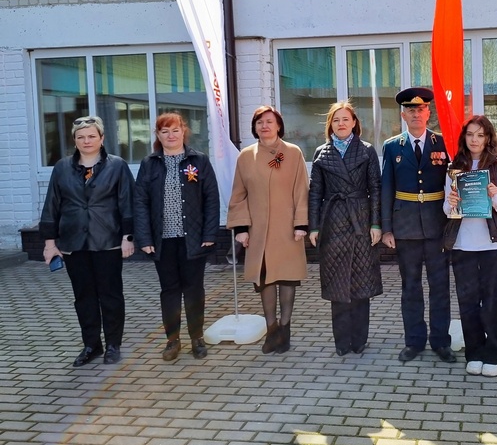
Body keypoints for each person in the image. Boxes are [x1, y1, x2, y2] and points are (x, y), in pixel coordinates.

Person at [40, 116, 135, 367]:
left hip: (108, 241)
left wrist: (128, 237)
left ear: (102, 138)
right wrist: (50, 243)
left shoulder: (117, 166)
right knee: (83, 297)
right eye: (81, 137)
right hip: (73, 243)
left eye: (92, 136)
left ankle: (113, 344)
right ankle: (91, 345)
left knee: (111, 296)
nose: (86, 141)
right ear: (74, 140)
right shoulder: (62, 168)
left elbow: (128, 203)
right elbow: (51, 206)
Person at [134, 113, 220, 362]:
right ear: (158, 135)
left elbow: (211, 199)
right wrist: (144, 238)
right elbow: (140, 202)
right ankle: (172, 340)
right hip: (162, 241)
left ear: (184, 131)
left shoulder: (199, 160)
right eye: (164, 131)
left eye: (175, 130)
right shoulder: (149, 164)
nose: (170, 135)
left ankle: (197, 338)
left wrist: (209, 233)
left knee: (194, 290)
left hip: (193, 239)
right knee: (169, 291)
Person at [381, 87, 455, 364]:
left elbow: (453, 181)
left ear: (428, 113)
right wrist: (386, 228)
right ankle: (413, 341)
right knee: (410, 287)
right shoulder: (392, 146)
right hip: (406, 226)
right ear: (403, 115)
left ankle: (441, 341)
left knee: (440, 286)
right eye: (410, 110)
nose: (415, 114)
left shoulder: (443, 143)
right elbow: (386, 187)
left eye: (420, 109)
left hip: (437, 225)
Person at [227, 106, 309, 354]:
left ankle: (285, 329)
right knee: (265, 280)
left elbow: (302, 190)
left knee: (286, 278)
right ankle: (271, 329)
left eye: (269, 121)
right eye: (259, 122)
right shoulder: (246, 156)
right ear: (254, 127)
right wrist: (241, 228)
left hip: (287, 229)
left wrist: (301, 223)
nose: (264, 126)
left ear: (279, 125)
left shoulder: (292, 153)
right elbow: (238, 195)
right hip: (258, 230)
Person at [308, 101, 383, 356]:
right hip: (333, 221)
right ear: (330, 124)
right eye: (336, 120)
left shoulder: (367, 150)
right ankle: (341, 342)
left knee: (361, 283)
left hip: (360, 220)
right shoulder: (321, 153)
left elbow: (375, 188)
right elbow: (315, 192)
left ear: (354, 123)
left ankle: (359, 340)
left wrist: (376, 223)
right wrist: (314, 227)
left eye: (345, 119)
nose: (341, 124)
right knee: (337, 282)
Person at [443, 115, 497, 377]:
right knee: (468, 301)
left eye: (480, 135)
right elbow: (447, 210)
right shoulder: (454, 167)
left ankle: (494, 353)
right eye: (470, 134)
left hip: (493, 245)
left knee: (492, 301)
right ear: (464, 137)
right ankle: (474, 352)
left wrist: (495, 197)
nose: (474, 140)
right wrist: (451, 201)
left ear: (488, 138)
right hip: (464, 245)